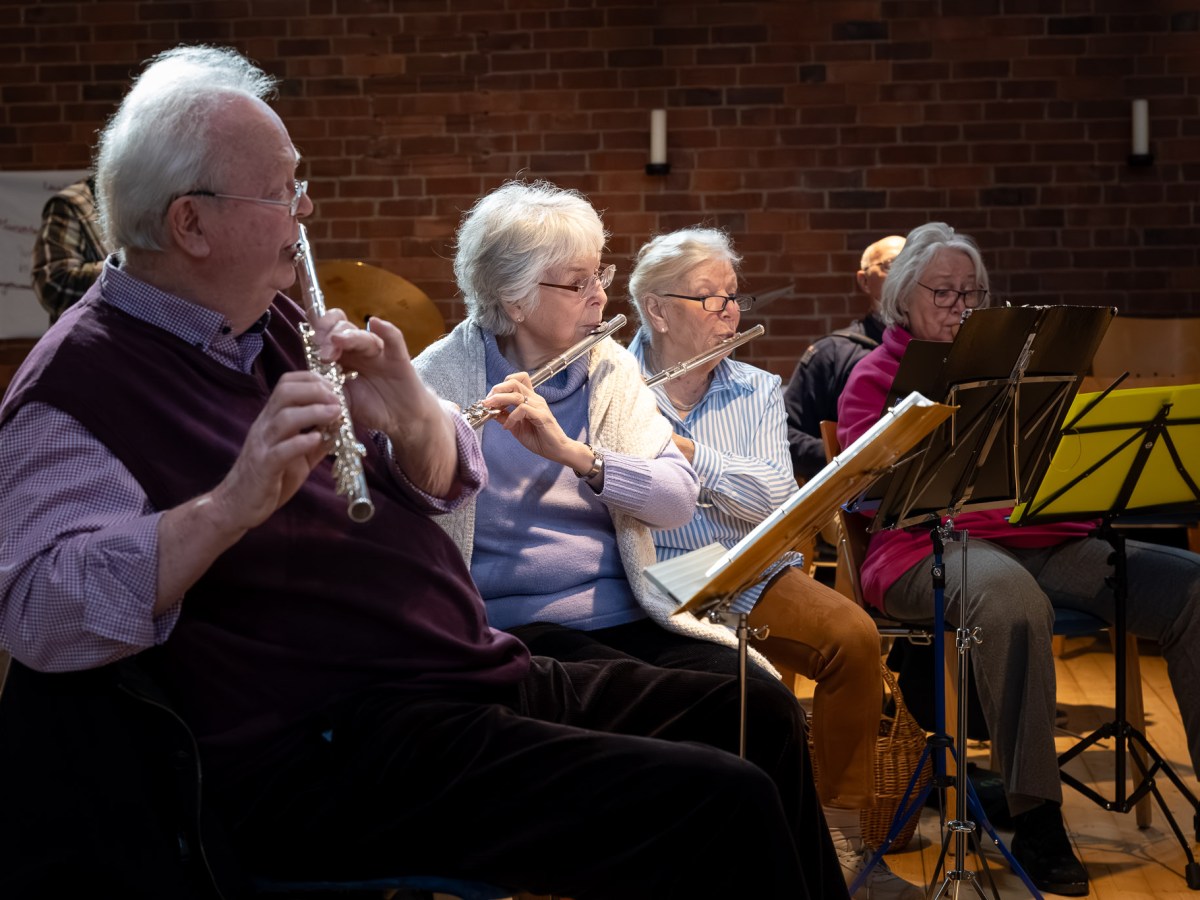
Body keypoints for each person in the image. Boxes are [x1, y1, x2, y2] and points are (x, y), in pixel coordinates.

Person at [0, 46, 827, 900]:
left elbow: (451, 474)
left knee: (753, 713)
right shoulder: (77, 386)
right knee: (721, 803)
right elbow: (41, 615)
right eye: (283, 190)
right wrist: (229, 506)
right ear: (191, 224)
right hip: (332, 738)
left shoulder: (272, 320)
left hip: (457, 673)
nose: (305, 209)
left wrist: (413, 414)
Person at [414, 180, 845, 896]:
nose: (601, 298)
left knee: (763, 704)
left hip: (631, 609)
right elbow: (415, 531)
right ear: (515, 297)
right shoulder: (437, 380)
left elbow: (675, 500)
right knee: (712, 763)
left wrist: (577, 456)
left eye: (601, 275)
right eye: (579, 282)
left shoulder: (607, 370)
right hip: (524, 631)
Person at [837, 222, 1200, 897]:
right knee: (1009, 599)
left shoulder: (1020, 368)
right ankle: (1037, 816)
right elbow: (865, 492)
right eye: (943, 291)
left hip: (1039, 536)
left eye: (973, 292)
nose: (961, 305)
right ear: (904, 297)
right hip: (926, 548)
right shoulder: (875, 374)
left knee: (1188, 587)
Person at [626, 226, 922, 900]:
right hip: (646, 571)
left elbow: (775, 498)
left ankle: (841, 834)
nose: (731, 312)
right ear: (657, 308)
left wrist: (685, 452)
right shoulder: (610, 382)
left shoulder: (756, 386)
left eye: (733, 296)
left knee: (853, 638)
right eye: (710, 299)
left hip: (748, 566)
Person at [784, 234, 905, 479]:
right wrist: (844, 458)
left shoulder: (937, 347)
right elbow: (785, 435)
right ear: (864, 281)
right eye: (891, 265)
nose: (902, 276)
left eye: (911, 266)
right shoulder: (831, 353)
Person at [30, 174, 112, 323]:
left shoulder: (150, 200)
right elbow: (53, 287)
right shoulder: (70, 204)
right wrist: (128, 270)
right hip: (92, 341)